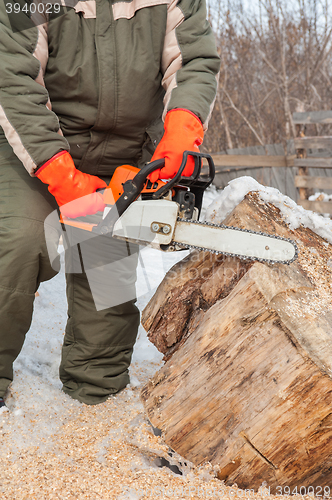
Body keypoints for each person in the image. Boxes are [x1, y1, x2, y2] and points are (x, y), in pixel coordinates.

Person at [0, 0, 220, 407]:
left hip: (124, 155)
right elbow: (14, 80)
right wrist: (64, 179)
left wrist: (179, 133)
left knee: (106, 276)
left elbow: (193, 61)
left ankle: (95, 397)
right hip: (34, 146)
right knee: (20, 239)